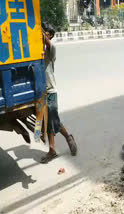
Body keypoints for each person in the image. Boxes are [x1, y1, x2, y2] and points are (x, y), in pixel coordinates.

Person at [40, 25, 77, 164]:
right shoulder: (40, 51)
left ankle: (68, 138)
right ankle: (52, 150)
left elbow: (46, 41)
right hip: (42, 93)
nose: (43, 34)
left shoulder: (51, 49)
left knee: (54, 120)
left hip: (51, 91)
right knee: (49, 121)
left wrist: (38, 30)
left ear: (49, 35)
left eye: (45, 32)